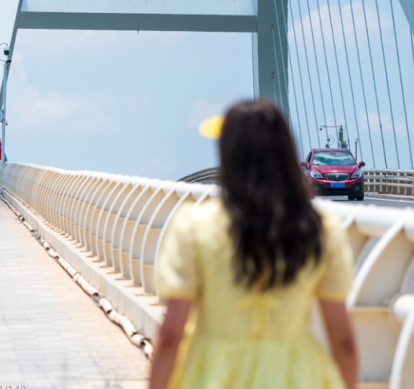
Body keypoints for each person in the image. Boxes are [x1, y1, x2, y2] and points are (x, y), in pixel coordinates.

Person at [149, 100, 358, 389]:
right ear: (287, 154)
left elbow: (171, 334)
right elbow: (343, 342)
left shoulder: (193, 227)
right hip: (298, 376)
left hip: (212, 376)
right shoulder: (320, 229)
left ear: (225, 154)